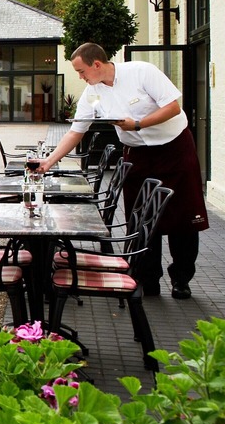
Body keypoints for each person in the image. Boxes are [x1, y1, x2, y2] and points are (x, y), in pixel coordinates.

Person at [36, 42, 208, 299]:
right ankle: (148, 279)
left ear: (96, 64)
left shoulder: (141, 72)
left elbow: (173, 107)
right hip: (137, 154)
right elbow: (76, 131)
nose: (80, 77)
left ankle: (181, 279)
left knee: (182, 217)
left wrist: (138, 124)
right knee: (141, 217)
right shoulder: (92, 92)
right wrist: (48, 162)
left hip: (174, 148)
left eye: (81, 71)